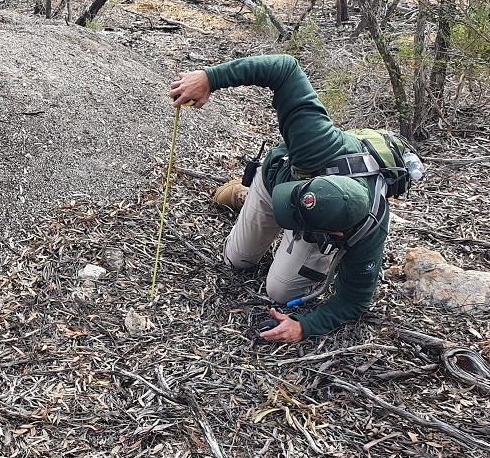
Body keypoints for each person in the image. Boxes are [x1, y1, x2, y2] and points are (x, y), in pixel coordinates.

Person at [167, 54, 390, 344]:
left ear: (335, 233)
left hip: (318, 228)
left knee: (280, 292)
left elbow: (354, 301)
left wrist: (306, 326)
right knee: (236, 260)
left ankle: (305, 241)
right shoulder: (317, 143)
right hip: (276, 177)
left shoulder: (367, 233)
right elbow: (285, 68)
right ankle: (247, 192)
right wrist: (210, 78)